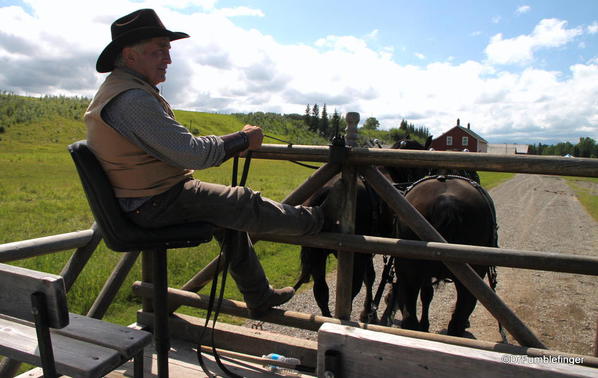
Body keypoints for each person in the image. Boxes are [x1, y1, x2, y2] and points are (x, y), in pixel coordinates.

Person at [85, 8, 340, 317]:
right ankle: (320, 220)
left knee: (228, 216)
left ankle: (258, 296)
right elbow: (190, 153)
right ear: (130, 55)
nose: (168, 59)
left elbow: (173, 147)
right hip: (154, 202)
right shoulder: (132, 99)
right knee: (241, 202)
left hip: (145, 200)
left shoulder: (123, 91)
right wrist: (243, 140)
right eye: (159, 50)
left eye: (169, 50)